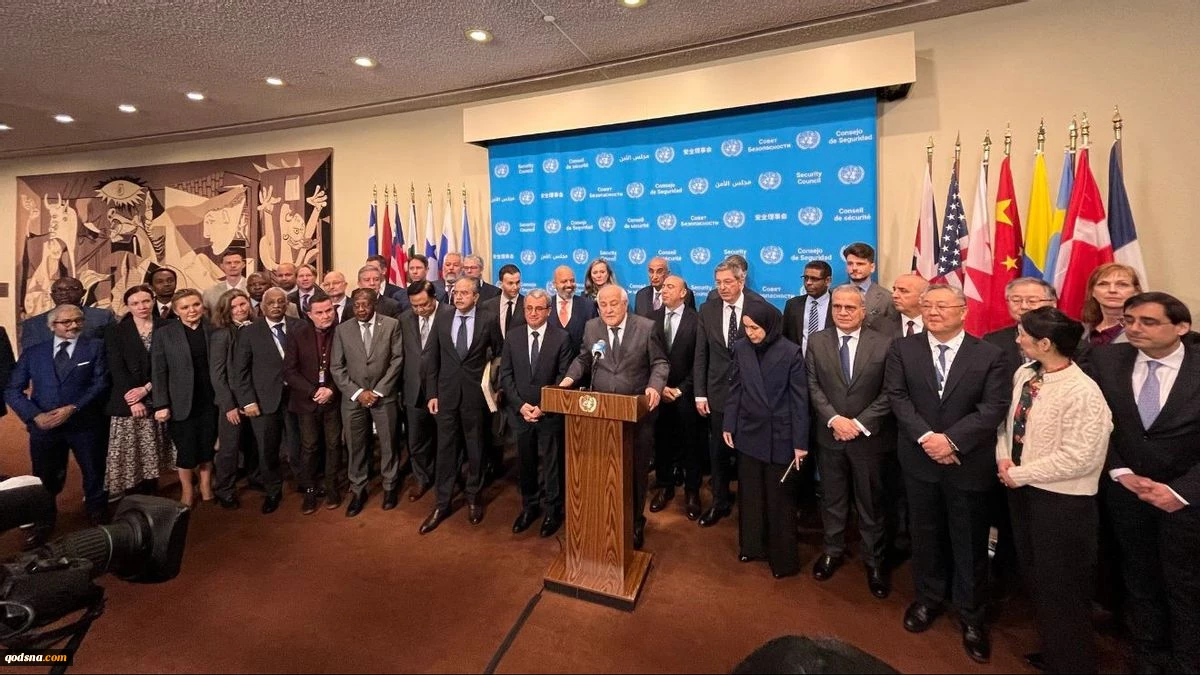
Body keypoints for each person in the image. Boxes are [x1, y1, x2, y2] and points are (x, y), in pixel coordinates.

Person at [884, 283, 1010, 664]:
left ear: (964, 311)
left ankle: (971, 616)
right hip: (919, 459)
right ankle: (928, 600)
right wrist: (928, 438)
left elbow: (993, 407)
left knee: (970, 541)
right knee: (925, 535)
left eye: (943, 305)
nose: (933, 312)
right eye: (927, 305)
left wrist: (951, 441)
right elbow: (897, 397)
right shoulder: (903, 349)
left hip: (966, 463)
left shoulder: (990, 355)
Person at [1086, 292, 1200, 674]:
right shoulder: (1105, 360)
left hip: (1187, 499)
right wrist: (1120, 472)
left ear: (1181, 327)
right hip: (1126, 492)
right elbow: (1093, 425)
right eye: (1130, 320)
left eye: (1148, 322)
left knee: (1186, 585)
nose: (1135, 328)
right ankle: (1147, 656)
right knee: (1138, 578)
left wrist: (1181, 491)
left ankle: (1187, 661)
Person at [996, 307, 1112, 674]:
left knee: (1064, 587)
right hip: (1022, 491)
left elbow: (1081, 457)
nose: (1017, 339)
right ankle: (1055, 651)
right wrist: (1004, 458)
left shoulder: (1082, 391)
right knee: (1038, 578)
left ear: (1045, 343)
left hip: (1062, 503)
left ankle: (1073, 663)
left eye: (1023, 335)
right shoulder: (1026, 374)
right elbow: (1008, 425)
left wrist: (1022, 473)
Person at [561, 284, 668, 549]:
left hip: (636, 413)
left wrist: (654, 387)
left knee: (635, 472)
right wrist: (568, 379)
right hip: (600, 414)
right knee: (603, 469)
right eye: (603, 305)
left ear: (625, 303)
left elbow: (660, 363)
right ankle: (605, 519)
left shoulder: (646, 327)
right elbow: (584, 359)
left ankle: (635, 521)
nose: (608, 310)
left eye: (613, 304)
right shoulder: (592, 327)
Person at [805, 285, 895, 598]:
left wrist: (857, 424)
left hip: (868, 439)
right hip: (830, 435)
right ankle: (833, 549)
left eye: (850, 307)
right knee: (833, 498)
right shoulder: (817, 341)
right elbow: (812, 385)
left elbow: (890, 392)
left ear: (863, 311)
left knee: (870, 503)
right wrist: (834, 419)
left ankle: (874, 561)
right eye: (837, 307)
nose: (842, 312)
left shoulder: (884, 343)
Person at [5, 304, 110, 539]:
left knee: (94, 470)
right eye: (66, 322)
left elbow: (101, 383)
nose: (74, 325)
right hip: (45, 426)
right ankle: (44, 520)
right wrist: (35, 416)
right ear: (52, 326)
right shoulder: (34, 353)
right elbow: (12, 389)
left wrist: (73, 408)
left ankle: (97, 512)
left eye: (78, 320)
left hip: (85, 424)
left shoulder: (95, 347)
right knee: (45, 475)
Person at [724, 302, 809, 578]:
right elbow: (735, 388)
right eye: (746, 327)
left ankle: (782, 559)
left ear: (770, 326)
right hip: (748, 432)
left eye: (755, 328)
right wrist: (729, 423)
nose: (750, 333)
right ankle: (752, 546)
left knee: (779, 499)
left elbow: (799, 401)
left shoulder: (791, 352)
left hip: (780, 435)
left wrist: (800, 443)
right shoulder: (741, 348)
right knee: (750, 495)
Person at [421, 277, 501, 533]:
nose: (459, 297)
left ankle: (473, 497)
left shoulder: (488, 319)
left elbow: (499, 353)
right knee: (445, 449)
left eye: (465, 293)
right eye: (456, 293)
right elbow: (432, 357)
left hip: (475, 397)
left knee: (475, 448)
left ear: (476, 297)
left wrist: (492, 385)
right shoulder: (442, 317)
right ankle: (442, 503)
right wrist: (432, 393)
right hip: (446, 396)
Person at [499, 289, 573, 537]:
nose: (533, 313)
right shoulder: (513, 336)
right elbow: (506, 375)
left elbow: (563, 376)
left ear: (548, 311)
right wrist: (520, 405)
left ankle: (553, 510)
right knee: (526, 462)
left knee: (551, 465)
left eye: (538, 308)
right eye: (529, 308)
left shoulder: (561, 338)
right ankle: (529, 506)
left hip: (548, 413)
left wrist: (544, 405)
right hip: (521, 413)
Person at [330, 288, 404, 517]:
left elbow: (397, 360)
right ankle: (358, 489)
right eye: (357, 305)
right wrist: (358, 393)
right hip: (354, 398)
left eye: (366, 305)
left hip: (384, 396)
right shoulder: (342, 330)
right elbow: (337, 367)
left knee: (389, 443)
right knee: (355, 445)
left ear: (375, 305)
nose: (361, 309)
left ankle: (390, 486)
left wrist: (379, 391)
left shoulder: (391, 325)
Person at [232, 287, 300, 514]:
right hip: (263, 400)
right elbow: (240, 371)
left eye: (281, 301)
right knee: (267, 448)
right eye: (271, 302)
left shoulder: (299, 326)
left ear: (286, 304)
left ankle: (304, 482)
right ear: (262, 306)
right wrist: (247, 401)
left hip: (296, 397)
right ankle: (272, 490)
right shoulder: (249, 332)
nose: (276, 306)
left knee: (299, 444)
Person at [694, 259, 751, 527]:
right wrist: (700, 393)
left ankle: (750, 510)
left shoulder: (758, 306)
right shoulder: (707, 309)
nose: (723, 287)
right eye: (718, 283)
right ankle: (720, 502)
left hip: (750, 395)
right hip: (717, 393)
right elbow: (701, 354)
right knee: (717, 452)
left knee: (747, 455)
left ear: (741, 281)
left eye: (728, 282)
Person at [103, 285, 174, 498]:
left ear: (153, 301)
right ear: (127, 306)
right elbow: (116, 367)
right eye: (135, 303)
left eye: (145, 301)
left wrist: (147, 388)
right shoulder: (116, 331)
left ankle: (152, 488)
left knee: (154, 446)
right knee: (130, 449)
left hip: (158, 394)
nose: (141, 306)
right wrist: (134, 400)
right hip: (128, 399)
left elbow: (172, 364)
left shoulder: (168, 326)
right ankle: (131, 492)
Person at [151, 289, 218, 508]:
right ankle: (187, 490)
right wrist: (161, 404)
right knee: (186, 450)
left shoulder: (214, 329)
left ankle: (206, 486)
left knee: (207, 446)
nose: (192, 310)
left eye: (196, 305)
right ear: (176, 310)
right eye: (185, 307)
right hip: (180, 402)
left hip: (210, 399)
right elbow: (158, 370)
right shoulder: (164, 333)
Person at [649, 275, 705, 520]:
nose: (664, 290)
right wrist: (660, 387)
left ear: (684, 293)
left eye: (670, 286)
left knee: (691, 445)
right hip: (658, 394)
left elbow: (700, 361)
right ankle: (665, 487)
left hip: (686, 394)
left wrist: (681, 389)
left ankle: (692, 492)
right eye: (663, 287)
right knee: (662, 443)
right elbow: (647, 358)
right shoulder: (651, 319)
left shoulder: (697, 320)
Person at [283, 296, 345, 514]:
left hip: (333, 398)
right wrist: (313, 391)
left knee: (334, 444)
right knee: (309, 446)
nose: (326, 316)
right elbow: (289, 371)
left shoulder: (343, 331)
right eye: (319, 312)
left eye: (329, 310)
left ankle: (332, 487)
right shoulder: (297, 334)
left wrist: (331, 389)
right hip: (306, 400)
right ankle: (309, 489)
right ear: (309, 315)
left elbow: (348, 366)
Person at [208, 288, 255, 510]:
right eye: (234, 307)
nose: (239, 309)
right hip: (232, 402)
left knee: (253, 443)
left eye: (243, 304)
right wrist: (229, 406)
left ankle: (255, 478)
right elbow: (218, 375)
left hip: (253, 397)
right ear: (226, 310)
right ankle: (224, 489)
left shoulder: (256, 327)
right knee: (229, 448)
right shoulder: (222, 334)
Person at [398, 280, 443, 503]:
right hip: (413, 388)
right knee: (416, 440)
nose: (420, 310)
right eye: (415, 305)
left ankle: (446, 479)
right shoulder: (404, 319)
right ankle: (422, 477)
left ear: (434, 298)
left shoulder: (450, 315)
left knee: (446, 439)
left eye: (424, 304)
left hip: (442, 389)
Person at [983, 277, 1058, 375]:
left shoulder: (1071, 339)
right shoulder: (992, 341)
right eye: (1016, 300)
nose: (1024, 306)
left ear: (1053, 303)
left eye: (1032, 301)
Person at [20, 276, 115, 350]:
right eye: (58, 290)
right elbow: (29, 357)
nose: (64, 293)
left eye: (71, 289)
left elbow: (112, 350)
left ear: (83, 292)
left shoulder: (101, 317)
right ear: (52, 295)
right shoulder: (34, 324)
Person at [1081, 262, 1142, 347]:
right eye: (1103, 284)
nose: (1112, 290)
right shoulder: (1081, 333)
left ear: (1136, 291)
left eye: (1122, 285)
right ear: (1092, 292)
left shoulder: (1143, 332)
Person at [782, 260, 834, 354]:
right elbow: (785, 337)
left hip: (829, 361)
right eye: (806, 278)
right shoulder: (793, 305)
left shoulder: (837, 305)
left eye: (814, 279)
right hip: (799, 361)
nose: (808, 282)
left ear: (827, 281)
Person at [843, 243, 897, 332]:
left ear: (872, 267)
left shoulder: (887, 298)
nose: (854, 268)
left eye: (860, 264)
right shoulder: (833, 293)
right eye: (850, 264)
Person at [549, 265, 596, 356]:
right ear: (554, 284)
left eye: (572, 281)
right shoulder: (546, 305)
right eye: (564, 281)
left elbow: (593, 338)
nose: (569, 285)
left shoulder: (588, 306)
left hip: (581, 362)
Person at [481, 264, 525, 340]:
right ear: (500, 284)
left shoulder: (527, 304)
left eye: (517, 282)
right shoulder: (488, 306)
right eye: (510, 283)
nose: (515, 287)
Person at [202, 250, 248, 314]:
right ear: (222, 266)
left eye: (237, 262)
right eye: (228, 263)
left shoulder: (252, 289)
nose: (233, 265)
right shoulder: (210, 293)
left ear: (243, 265)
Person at [888, 273, 929, 339]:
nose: (894, 295)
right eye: (894, 290)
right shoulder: (881, 325)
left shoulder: (938, 324)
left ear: (922, 296)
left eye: (903, 291)